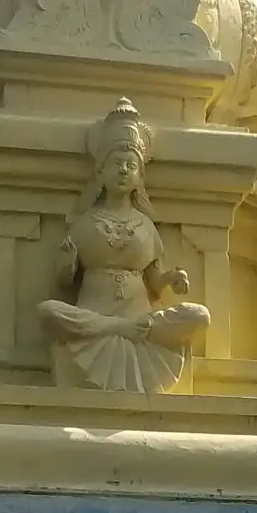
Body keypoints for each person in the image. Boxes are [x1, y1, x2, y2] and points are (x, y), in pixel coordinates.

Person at [39, 99, 208, 393]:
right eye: (116, 164)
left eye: (131, 166)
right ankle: (118, 329)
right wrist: (66, 264)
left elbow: (153, 280)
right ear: (100, 173)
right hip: (96, 316)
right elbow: (65, 281)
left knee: (198, 316)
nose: (123, 170)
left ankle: (132, 329)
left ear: (139, 176)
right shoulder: (86, 222)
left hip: (142, 320)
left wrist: (171, 278)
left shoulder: (145, 225)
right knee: (48, 312)